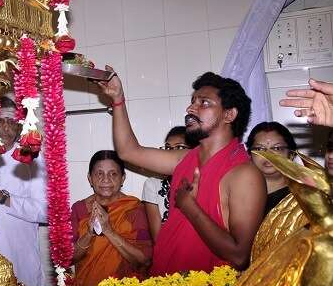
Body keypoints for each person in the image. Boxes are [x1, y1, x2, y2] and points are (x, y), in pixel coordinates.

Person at [97, 68, 266, 275]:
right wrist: (118, 99)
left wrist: (189, 206)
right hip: (165, 282)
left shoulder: (244, 174)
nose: (190, 108)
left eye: (203, 103)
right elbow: (128, 151)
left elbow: (239, 256)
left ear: (229, 114)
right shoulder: (184, 159)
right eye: (193, 101)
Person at [0, 96, 48, 286]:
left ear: (19, 126)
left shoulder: (32, 158)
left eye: (11, 121)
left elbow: (45, 212)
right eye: (0, 121)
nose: (5, 128)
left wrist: (3, 198)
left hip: (20, 262)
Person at [70, 150, 152, 286]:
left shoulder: (134, 209)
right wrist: (89, 233)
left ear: (123, 178)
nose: (106, 179)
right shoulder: (79, 209)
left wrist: (109, 231)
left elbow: (144, 261)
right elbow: (68, 258)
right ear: (90, 178)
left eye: (113, 174)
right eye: (99, 174)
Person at [141, 126, 195, 242]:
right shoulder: (152, 184)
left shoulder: (200, 180)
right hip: (167, 250)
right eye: (168, 148)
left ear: (193, 151)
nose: (172, 153)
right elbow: (157, 237)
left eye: (179, 147)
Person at [245, 121, 297, 215]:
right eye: (259, 149)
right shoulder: (241, 195)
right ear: (249, 155)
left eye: (277, 148)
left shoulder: (302, 198)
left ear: (291, 154)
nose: (268, 155)